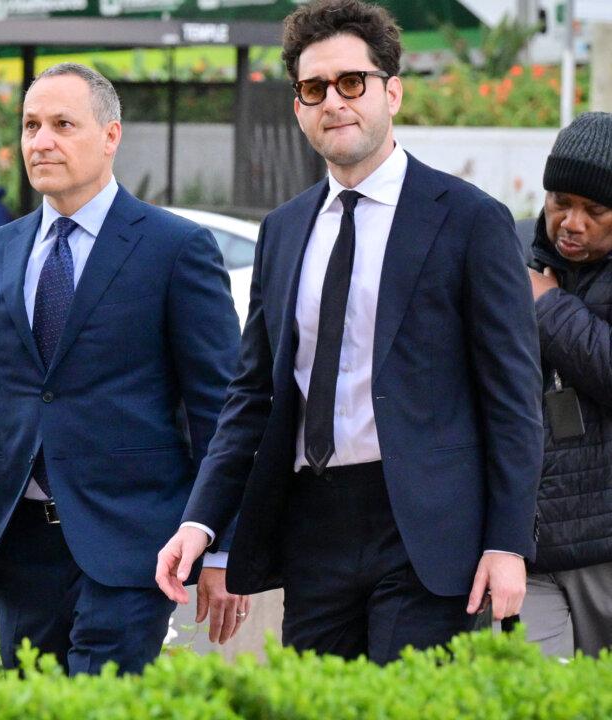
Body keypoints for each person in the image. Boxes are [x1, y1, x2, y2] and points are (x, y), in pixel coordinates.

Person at [156, 0, 543, 665]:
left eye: (352, 82)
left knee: (405, 707)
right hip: (314, 526)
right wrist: (201, 520)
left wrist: (507, 543)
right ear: (299, 107)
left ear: (392, 92)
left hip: (426, 528)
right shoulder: (283, 231)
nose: (333, 101)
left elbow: (513, 396)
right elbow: (251, 397)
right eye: (314, 88)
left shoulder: (470, 220)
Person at [0, 62, 244, 675]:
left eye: (62, 124)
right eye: (31, 125)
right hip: (21, 550)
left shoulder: (175, 249)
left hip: (134, 548)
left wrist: (222, 542)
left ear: (110, 136)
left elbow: (221, 410)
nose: (41, 141)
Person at [519, 111, 612, 659]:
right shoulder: (513, 257)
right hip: (529, 552)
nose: (572, 223)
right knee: (534, 695)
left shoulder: (537, 290)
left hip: (605, 551)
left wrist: (549, 306)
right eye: (560, 202)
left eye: (594, 211)